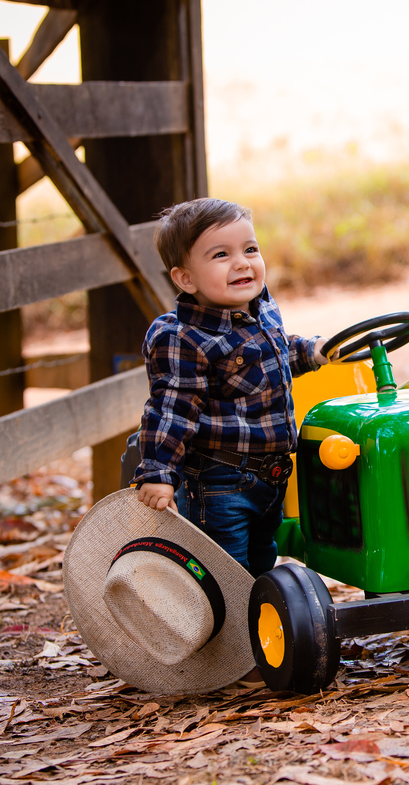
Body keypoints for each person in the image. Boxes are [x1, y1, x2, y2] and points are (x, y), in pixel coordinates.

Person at [132, 198, 328, 576]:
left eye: (250, 249)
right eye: (221, 255)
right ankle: (221, 615)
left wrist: (314, 351)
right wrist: (158, 473)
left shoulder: (260, 308)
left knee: (261, 560)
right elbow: (172, 410)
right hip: (219, 480)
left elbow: (275, 357)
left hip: (269, 475)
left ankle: (256, 611)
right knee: (226, 571)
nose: (242, 263)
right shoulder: (183, 337)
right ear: (186, 279)